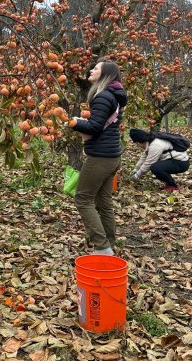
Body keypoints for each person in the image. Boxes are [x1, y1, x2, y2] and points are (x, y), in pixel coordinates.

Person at [69, 60, 128, 256]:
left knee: (83, 199)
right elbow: (101, 124)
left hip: (101, 157)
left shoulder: (103, 96)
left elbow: (94, 127)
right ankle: (109, 244)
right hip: (112, 156)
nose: (91, 70)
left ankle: (102, 247)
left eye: (96, 68)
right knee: (103, 203)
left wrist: (73, 122)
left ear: (105, 75)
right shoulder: (113, 96)